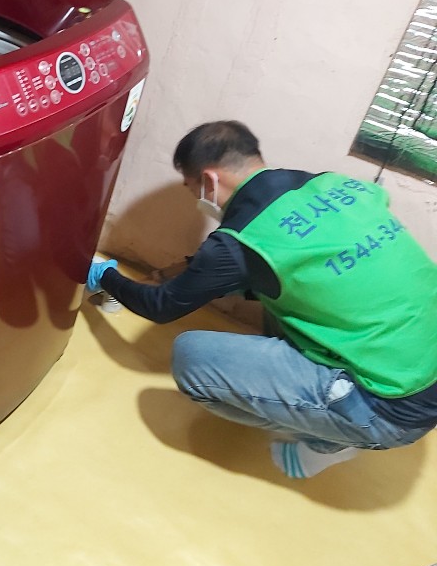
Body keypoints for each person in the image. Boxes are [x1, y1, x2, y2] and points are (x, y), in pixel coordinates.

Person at [87, 120, 437, 478]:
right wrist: (179, 270)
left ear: (209, 181)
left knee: (192, 358)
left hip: (392, 408)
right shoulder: (332, 185)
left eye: (193, 190)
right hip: (419, 365)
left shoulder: (239, 242)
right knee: (276, 294)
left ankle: (329, 440)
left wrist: (105, 276)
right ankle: (334, 415)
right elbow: (270, 268)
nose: (198, 199)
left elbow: (160, 306)